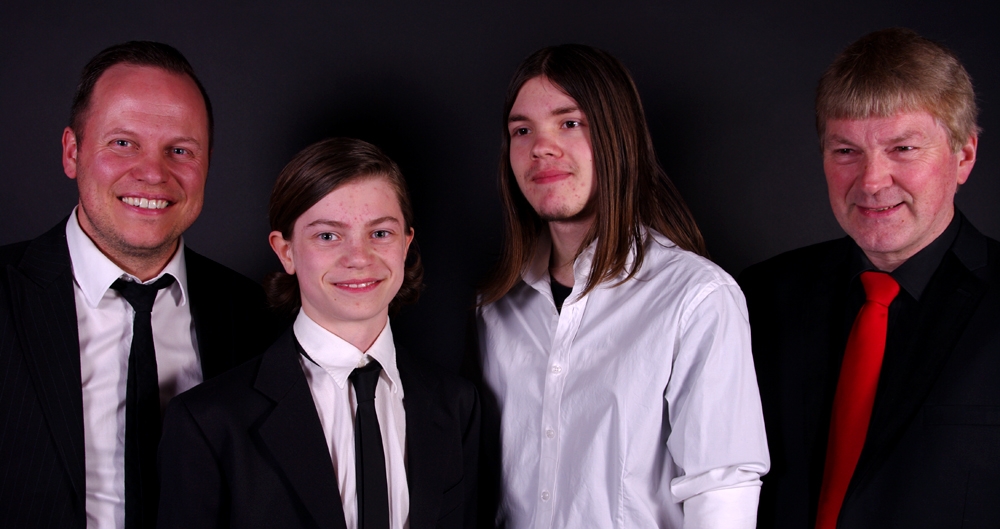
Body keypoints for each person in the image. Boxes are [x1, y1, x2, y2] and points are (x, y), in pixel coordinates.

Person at [473, 44, 769, 528]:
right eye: (522, 130)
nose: (541, 147)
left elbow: (721, 492)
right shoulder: (496, 308)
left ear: (618, 136)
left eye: (570, 123)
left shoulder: (696, 298)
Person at [0, 41, 282, 529]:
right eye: (122, 143)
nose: (153, 173)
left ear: (207, 164)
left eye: (180, 150)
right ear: (72, 152)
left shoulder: (256, 316)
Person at [739, 27, 1000, 528]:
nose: (872, 181)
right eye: (846, 151)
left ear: (964, 156)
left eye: (903, 148)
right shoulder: (760, 297)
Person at [157, 137, 480, 529]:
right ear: (286, 251)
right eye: (328, 235)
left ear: (406, 244)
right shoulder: (209, 421)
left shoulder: (455, 404)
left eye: (380, 233)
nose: (359, 258)